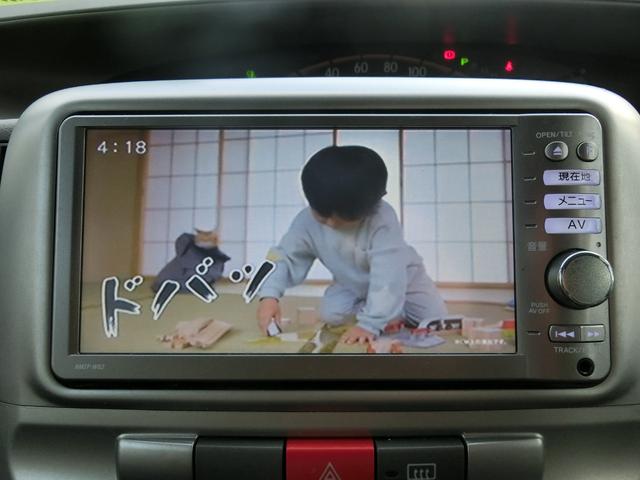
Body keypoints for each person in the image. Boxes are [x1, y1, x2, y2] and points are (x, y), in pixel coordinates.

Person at [256, 145, 447, 345]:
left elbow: (389, 277)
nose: (331, 223)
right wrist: (269, 296)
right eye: (322, 216)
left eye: (343, 218)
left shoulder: (382, 218)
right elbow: (284, 256)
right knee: (331, 315)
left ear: (372, 204)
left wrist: (370, 324)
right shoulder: (306, 221)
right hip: (351, 284)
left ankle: (385, 311)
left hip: (403, 279)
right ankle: (385, 311)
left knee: (434, 318)